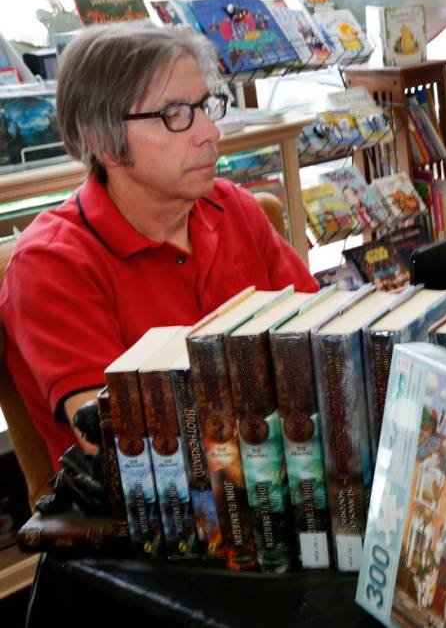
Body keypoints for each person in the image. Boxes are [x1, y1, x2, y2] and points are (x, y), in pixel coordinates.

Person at [0, 25, 318, 469]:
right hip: (152, 519)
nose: (210, 132)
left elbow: (324, 343)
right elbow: (121, 444)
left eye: (205, 106)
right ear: (102, 138)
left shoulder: (234, 208)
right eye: (175, 114)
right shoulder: (51, 264)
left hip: (286, 465)